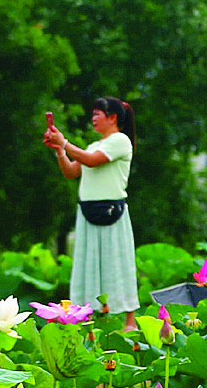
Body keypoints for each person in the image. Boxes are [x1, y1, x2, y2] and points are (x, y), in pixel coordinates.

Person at [46, 97, 140, 326]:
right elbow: (71, 171)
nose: (93, 118)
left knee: (118, 263)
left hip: (112, 211)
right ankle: (84, 316)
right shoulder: (94, 145)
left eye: (98, 113)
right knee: (85, 264)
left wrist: (65, 142)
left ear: (112, 117)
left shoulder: (120, 141)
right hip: (88, 211)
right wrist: (60, 150)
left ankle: (129, 321)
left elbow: (91, 161)